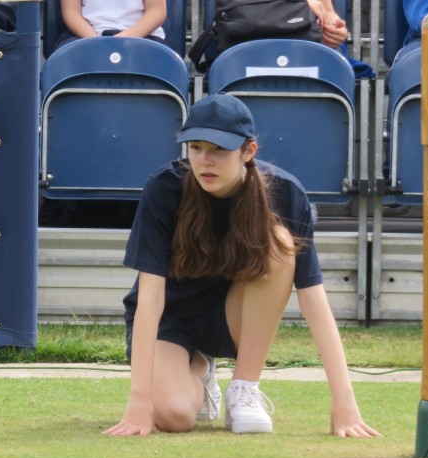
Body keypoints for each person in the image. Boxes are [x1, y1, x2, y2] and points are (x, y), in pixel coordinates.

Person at [103, 93, 382, 438]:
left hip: (235, 318)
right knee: (175, 417)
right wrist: (139, 401)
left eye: (218, 150)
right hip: (170, 320)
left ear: (249, 151)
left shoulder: (285, 193)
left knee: (281, 244)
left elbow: (313, 298)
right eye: (195, 147)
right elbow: (150, 299)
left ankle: (244, 388)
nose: (205, 161)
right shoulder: (163, 188)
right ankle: (200, 369)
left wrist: (344, 402)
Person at [55, 0, 167, 50]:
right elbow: (71, 13)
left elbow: (156, 12)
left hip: (142, 36)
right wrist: (96, 41)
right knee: (63, 58)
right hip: (87, 35)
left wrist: (121, 40)